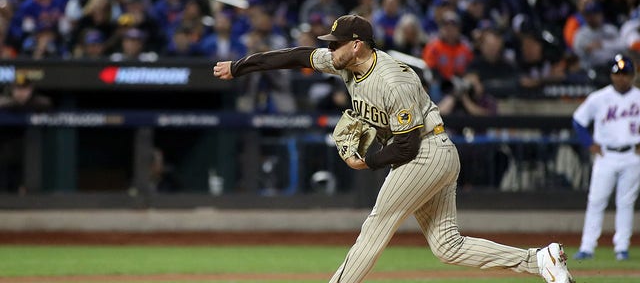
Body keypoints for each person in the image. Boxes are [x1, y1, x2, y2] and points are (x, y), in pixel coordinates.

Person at [212, 14, 574, 283]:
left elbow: (406, 144)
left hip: (425, 152)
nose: (329, 48)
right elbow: (295, 56)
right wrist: (240, 66)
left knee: (376, 225)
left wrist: (366, 162)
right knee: (447, 246)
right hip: (432, 153)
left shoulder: (393, 79)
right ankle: (540, 260)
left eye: (335, 43)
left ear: (357, 45)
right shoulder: (344, 66)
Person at [572, 54, 640, 261]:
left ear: (633, 75)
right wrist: (589, 143)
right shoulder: (599, 97)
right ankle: (587, 247)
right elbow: (578, 120)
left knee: (626, 202)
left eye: (625, 74)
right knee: (596, 200)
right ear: (611, 75)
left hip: (632, 155)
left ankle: (622, 248)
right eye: (617, 74)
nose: (621, 78)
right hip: (607, 155)